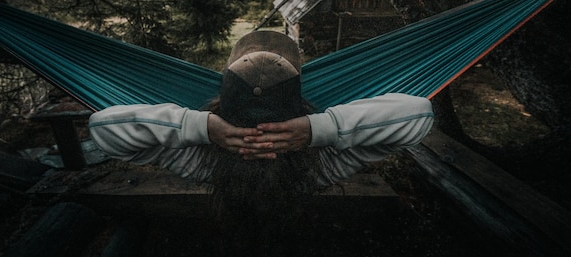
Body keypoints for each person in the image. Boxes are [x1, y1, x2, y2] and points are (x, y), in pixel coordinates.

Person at [88, 30, 434, 253]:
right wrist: (322, 130)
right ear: (298, 105)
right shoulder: (323, 161)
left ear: (221, 101)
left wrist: (200, 128)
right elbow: (418, 115)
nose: (259, 143)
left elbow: (104, 130)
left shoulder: (200, 158)